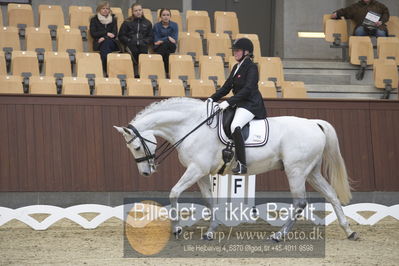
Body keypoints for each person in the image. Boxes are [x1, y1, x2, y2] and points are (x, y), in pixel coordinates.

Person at [208, 38, 267, 175]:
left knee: (235, 126)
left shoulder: (252, 67)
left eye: (238, 50)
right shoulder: (236, 67)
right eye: (234, 50)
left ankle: (242, 164)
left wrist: (229, 102)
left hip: (251, 104)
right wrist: (211, 99)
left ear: (246, 52)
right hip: (240, 103)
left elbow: (248, 89)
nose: (235, 53)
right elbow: (226, 87)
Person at [118, 3, 153, 77]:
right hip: (130, 44)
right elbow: (121, 35)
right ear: (132, 12)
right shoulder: (127, 22)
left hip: (142, 44)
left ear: (142, 11)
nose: (138, 12)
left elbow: (151, 37)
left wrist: (144, 41)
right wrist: (129, 41)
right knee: (133, 51)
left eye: (140, 10)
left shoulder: (147, 23)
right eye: (136, 10)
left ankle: (142, 73)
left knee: (143, 51)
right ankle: (135, 73)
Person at [89, 1, 119, 73]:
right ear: (99, 10)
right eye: (103, 8)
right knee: (105, 44)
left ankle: (105, 68)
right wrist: (106, 33)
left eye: (107, 8)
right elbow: (93, 33)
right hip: (98, 43)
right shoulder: (94, 20)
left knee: (106, 42)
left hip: (112, 43)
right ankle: (108, 69)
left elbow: (114, 34)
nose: (105, 10)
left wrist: (104, 37)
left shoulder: (113, 19)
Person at [152, 8, 178, 76]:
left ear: (170, 16)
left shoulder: (174, 25)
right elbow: (156, 41)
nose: (166, 17)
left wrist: (162, 40)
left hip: (171, 46)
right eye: (163, 15)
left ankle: (159, 70)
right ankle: (167, 72)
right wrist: (168, 37)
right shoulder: (156, 26)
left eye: (167, 15)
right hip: (159, 47)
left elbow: (174, 40)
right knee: (165, 49)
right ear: (160, 16)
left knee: (165, 45)